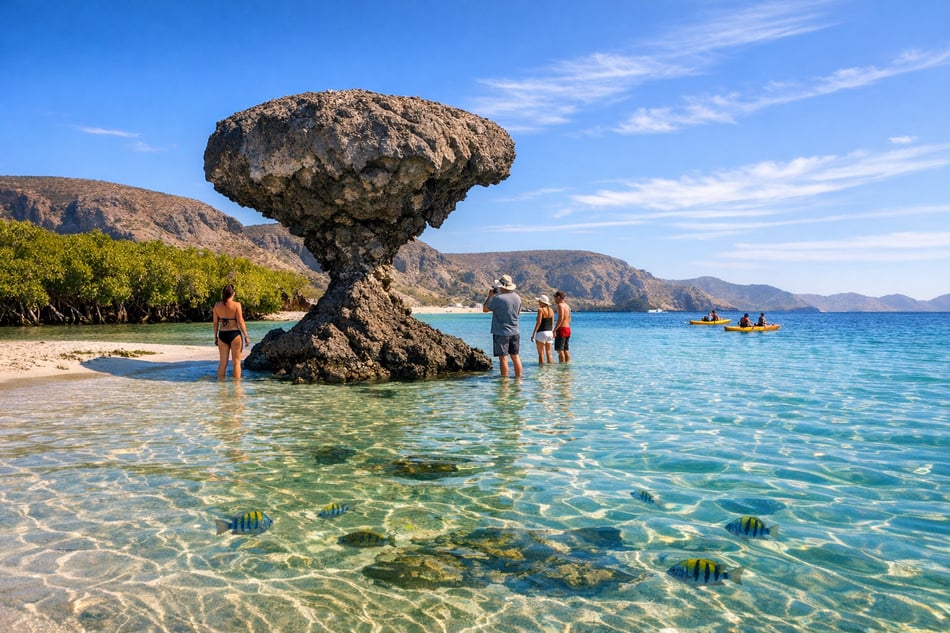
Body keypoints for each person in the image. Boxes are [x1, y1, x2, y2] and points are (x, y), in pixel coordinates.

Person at [482, 274, 523, 378]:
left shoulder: (498, 298)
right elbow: (518, 313)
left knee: (503, 358)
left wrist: (490, 296)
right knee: (515, 356)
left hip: (501, 332)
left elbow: (485, 309)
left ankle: (504, 381)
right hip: (515, 331)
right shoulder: (518, 298)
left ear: (501, 286)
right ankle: (519, 379)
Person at [213, 284, 250, 380]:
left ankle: (221, 389)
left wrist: (215, 337)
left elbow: (215, 323)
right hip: (234, 334)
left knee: (222, 363)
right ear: (233, 293)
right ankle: (237, 388)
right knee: (236, 362)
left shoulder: (217, 305)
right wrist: (246, 336)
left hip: (222, 334)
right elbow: (241, 321)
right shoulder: (237, 305)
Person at [530, 295, 555, 364]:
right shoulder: (551, 311)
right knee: (549, 353)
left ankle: (541, 371)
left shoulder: (540, 310)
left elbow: (539, 322)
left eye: (539, 301)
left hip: (541, 333)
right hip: (550, 332)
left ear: (542, 302)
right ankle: (550, 371)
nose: (538, 303)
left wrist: (533, 334)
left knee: (541, 354)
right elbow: (552, 323)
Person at [553, 290, 572, 363]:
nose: (554, 299)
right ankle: (567, 366)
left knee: (560, 350)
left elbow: (560, 318)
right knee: (566, 349)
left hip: (562, 329)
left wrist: (555, 330)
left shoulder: (560, 305)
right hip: (567, 328)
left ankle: (562, 367)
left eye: (555, 297)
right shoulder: (567, 306)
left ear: (558, 297)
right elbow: (569, 319)